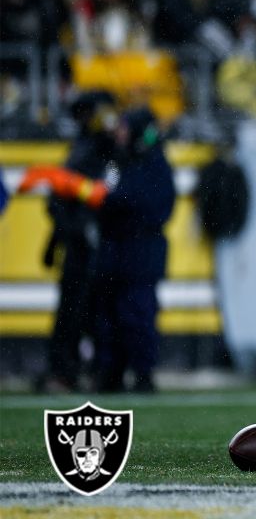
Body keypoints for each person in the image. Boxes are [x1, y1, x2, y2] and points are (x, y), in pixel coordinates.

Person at [20, 108, 175, 393]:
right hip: (113, 250)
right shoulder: (119, 161)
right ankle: (110, 373)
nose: (119, 133)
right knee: (106, 317)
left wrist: (82, 189)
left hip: (139, 252)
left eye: (126, 129)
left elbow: (127, 200)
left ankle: (142, 375)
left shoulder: (154, 165)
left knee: (136, 315)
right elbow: (109, 197)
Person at [39, 92, 116, 393]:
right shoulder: (88, 148)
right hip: (80, 243)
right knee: (75, 312)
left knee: (88, 312)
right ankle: (69, 371)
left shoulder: (99, 149)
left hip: (92, 242)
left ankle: (82, 371)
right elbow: (64, 198)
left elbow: (92, 197)